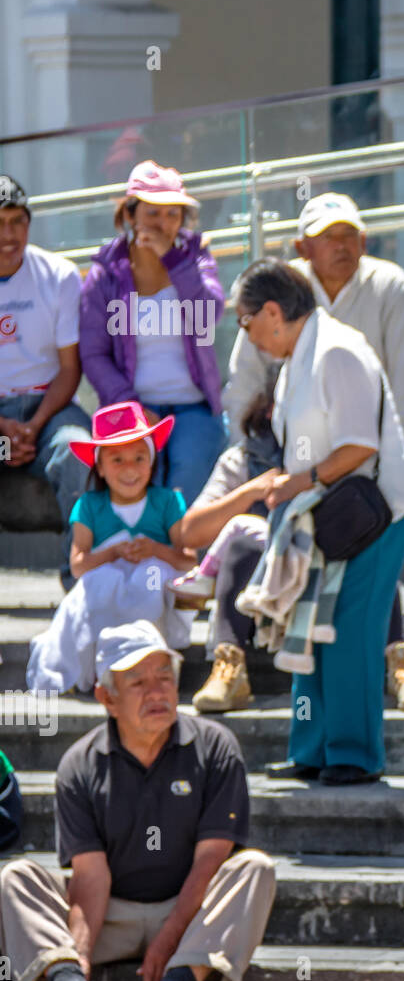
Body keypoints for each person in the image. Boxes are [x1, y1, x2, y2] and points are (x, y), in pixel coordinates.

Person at [0, 621, 276, 981]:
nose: (157, 692)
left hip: (187, 910)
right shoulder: (80, 764)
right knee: (16, 877)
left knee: (255, 868)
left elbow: (209, 862)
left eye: (165, 677)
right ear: (107, 698)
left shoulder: (216, 747)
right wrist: (81, 962)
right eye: (138, 683)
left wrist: (167, 941)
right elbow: (91, 877)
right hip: (110, 913)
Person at [223, 193, 404, 710]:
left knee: (346, 635)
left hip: (361, 491)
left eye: (351, 236)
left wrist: (387, 467)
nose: (343, 247)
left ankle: (351, 751)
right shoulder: (289, 327)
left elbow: (398, 402)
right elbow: (242, 393)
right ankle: (318, 748)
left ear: (272, 314)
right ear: (302, 247)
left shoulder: (337, 337)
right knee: (326, 631)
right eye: (329, 237)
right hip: (316, 487)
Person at [78, 161, 226, 506]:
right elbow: (93, 354)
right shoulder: (104, 275)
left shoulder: (196, 257)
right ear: (130, 215)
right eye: (153, 213)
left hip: (195, 406)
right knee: (143, 495)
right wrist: (131, 407)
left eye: (173, 214)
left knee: (188, 491)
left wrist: (173, 261)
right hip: (131, 408)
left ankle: (187, 561)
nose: (164, 225)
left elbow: (210, 313)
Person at [26, 403, 196, 693]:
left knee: (151, 575)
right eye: (117, 460)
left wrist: (155, 549)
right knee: (102, 579)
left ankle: (151, 658)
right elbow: (78, 565)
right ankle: (102, 665)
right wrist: (113, 554)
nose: (129, 469)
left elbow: (188, 560)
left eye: (139, 458)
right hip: (105, 592)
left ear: (152, 460)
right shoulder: (88, 506)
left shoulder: (168, 502)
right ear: (100, 467)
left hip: (153, 588)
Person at [0, 174, 92, 589]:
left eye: (17, 220)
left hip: (47, 412)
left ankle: (78, 586)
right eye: (0, 222)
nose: (9, 234)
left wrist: (33, 428)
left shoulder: (59, 275)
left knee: (79, 451)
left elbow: (69, 369)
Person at [175, 391, 283, 713]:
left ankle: (398, 658)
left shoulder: (333, 453)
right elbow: (190, 532)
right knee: (241, 538)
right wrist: (251, 491)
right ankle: (228, 664)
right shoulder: (244, 458)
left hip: (312, 578)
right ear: (270, 412)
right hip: (253, 593)